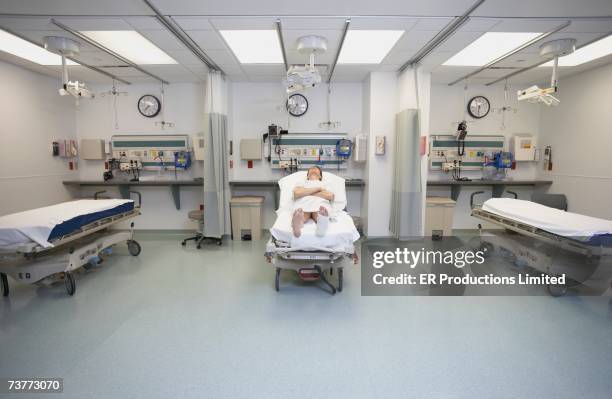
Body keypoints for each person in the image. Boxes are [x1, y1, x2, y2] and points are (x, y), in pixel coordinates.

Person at [291, 166, 334, 238]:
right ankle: (298, 223)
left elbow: (330, 196)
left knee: (319, 212)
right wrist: (319, 189)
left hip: (320, 203)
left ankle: (321, 223)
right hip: (304, 202)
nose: (313, 169)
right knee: (302, 212)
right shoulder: (301, 183)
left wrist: (306, 192)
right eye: (311, 169)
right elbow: (296, 194)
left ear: (320, 176)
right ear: (307, 176)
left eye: (316, 169)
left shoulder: (325, 184)